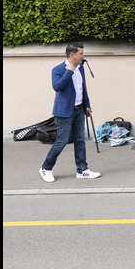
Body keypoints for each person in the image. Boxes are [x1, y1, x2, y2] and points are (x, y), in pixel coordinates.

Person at [39, 43, 101, 182]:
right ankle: (45, 167)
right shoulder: (58, 69)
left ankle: (82, 170)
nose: (83, 56)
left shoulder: (81, 68)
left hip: (79, 109)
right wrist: (69, 71)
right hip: (64, 112)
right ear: (72, 55)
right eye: (81, 53)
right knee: (61, 141)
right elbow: (57, 87)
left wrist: (87, 105)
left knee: (80, 141)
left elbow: (83, 88)